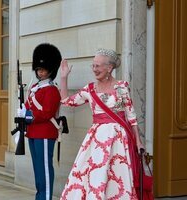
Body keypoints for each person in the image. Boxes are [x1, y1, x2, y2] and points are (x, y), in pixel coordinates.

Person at [59, 48, 145, 199]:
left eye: (98, 66)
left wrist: (138, 141)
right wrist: (64, 77)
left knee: (118, 176)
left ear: (109, 68)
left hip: (119, 139)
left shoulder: (122, 87)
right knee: (96, 174)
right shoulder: (89, 89)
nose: (94, 69)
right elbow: (66, 102)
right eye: (93, 65)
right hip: (97, 140)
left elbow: (131, 116)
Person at [17, 43, 62, 200]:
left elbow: (46, 113)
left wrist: (28, 115)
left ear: (50, 70)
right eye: (38, 69)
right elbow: (29, 106)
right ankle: (40, 196)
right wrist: (22, 111)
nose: (40, 72)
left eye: (43, 69)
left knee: (44, 169)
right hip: (34, 132)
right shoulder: (36, 87)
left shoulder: (51, 89)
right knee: (37, 169)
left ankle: (46, 197)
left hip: (44, 133)